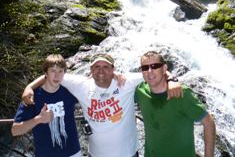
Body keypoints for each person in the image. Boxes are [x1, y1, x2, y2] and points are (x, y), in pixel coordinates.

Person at [22, 53, 183, 157]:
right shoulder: (81, 84)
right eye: (97, 67)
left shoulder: (126, 82)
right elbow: (51, 75)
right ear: (91, 70)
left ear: (113, 69)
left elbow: (153, 72)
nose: (101, 71)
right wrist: (29, 87)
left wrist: (171, 79)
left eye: (106, 67)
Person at [135, 51, 216, 157]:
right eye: (145, 68)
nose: (150, 71)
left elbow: (209, 123)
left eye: (155, 66)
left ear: (164, 69)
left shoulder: (181, 94)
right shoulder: (140, 91)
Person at [11, 54, 81, 157]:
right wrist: (38, 119)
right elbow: (15, 130)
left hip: (74, 153)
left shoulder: (69, 91)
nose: (56, 76)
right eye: (53, 71)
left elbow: (91, 85)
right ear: (46, 73)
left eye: (60, 71)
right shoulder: (32, 97)